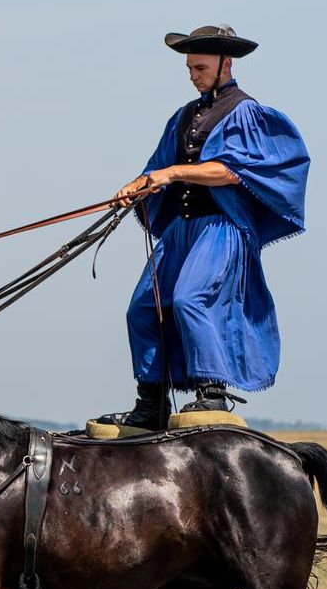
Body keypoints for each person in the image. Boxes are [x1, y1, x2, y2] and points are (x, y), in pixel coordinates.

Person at [88, 25, 311, 438]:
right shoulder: (184, 116)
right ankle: (150, 404)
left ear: (226, 64)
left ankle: (212, 393)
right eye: (190, 68)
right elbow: (157, 165)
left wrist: (169, 173)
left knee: (192, 299)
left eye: (200, 67)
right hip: (183, 231)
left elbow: (230, 172)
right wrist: (138, 186)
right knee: (142, 308)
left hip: (221, 229)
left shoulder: (246, 113)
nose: (193, 74)